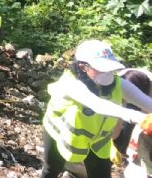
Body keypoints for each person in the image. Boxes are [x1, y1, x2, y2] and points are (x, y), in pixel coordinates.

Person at [41, 40, 152, 178]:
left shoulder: (117, 84)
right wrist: (141, 118)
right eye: (102, 68)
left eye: (110, 68)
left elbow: (146, 102)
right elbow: (97, 105)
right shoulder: (71, 84)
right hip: (60, 133)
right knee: (51, 170)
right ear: (83, 67)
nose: (108, 73)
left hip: (98, 141)